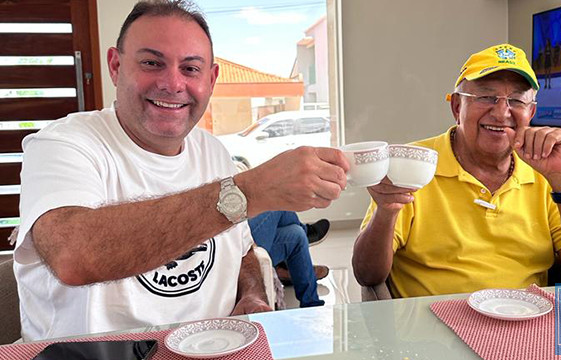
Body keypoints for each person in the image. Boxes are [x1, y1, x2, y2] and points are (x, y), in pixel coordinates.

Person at [13, 0, 349, 341]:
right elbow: (74, 255)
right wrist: (249, 190)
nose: (172, 83)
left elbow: (242, 250)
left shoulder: (213, 152)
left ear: (211, 79)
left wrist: (251, 295)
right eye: (151, 63)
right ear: (115, 65)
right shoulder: (62, 145)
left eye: (190, 69)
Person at [352, 44, 561, 298]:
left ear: (531, 112)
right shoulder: (413, 163)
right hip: (430, 333)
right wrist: (386, 212)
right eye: (486, 97)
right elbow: (368, 275)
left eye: (516, 101)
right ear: (457, 107)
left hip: (525, 327)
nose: (501, 113)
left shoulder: (545, 172)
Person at [249, 211, 330, 308]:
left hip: (239, 232)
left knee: (297, 234)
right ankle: (307, 233)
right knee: (276, 203)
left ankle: (312, 305)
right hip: (235, 243)